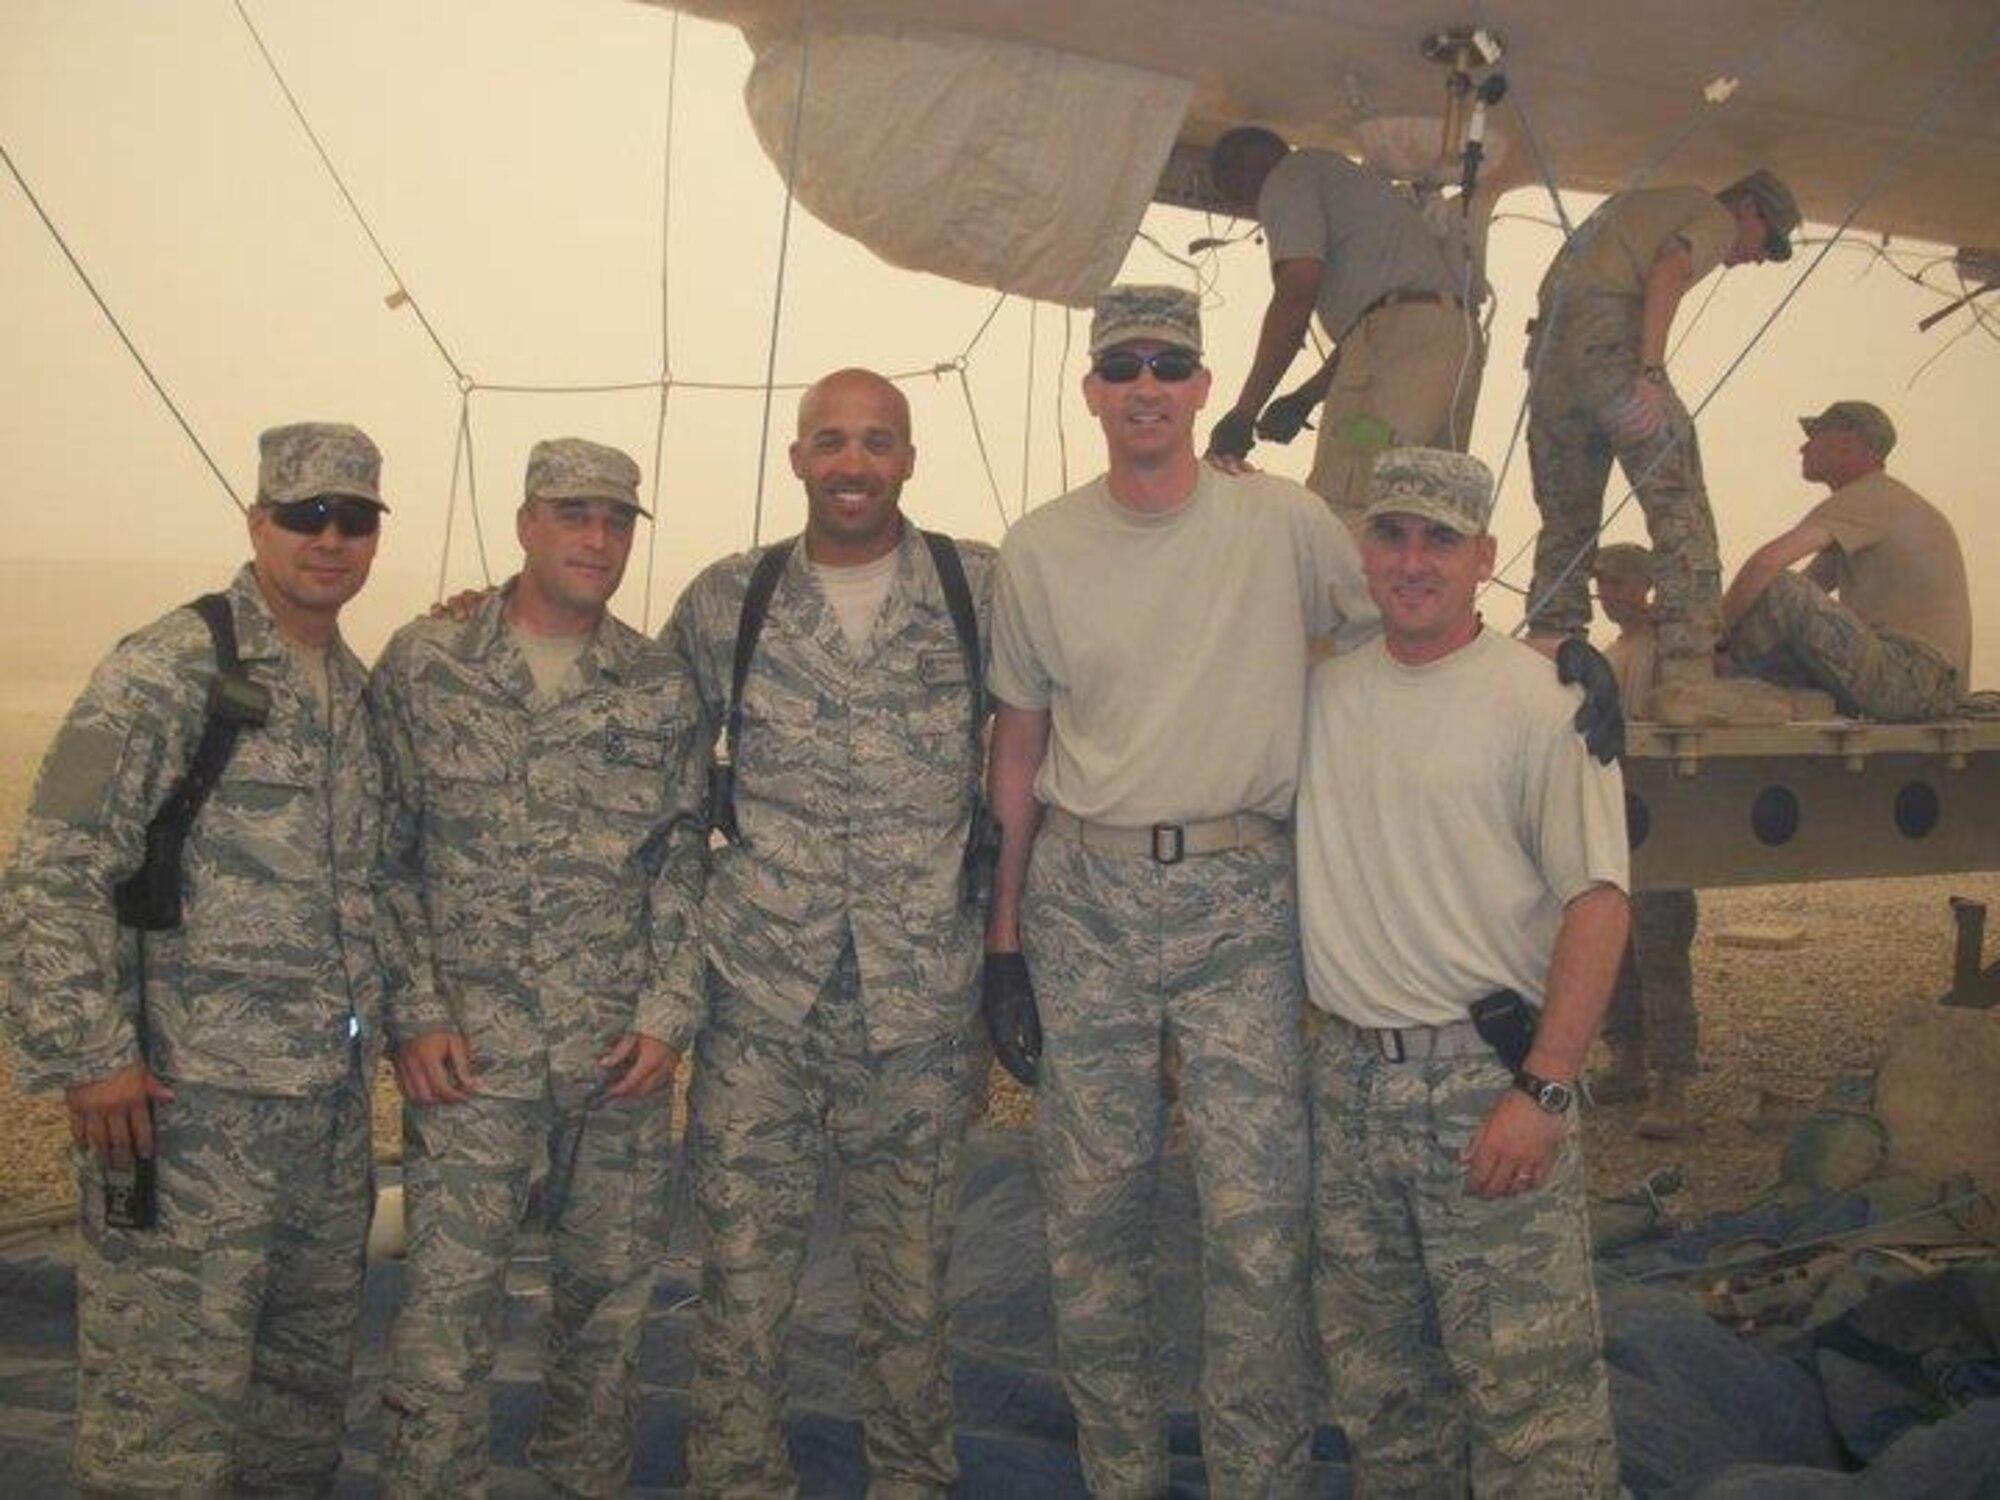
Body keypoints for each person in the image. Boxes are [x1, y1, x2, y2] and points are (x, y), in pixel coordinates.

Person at [983, 283, 1382, 1497]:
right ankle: (1121, 1478)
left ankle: (1254, 1478)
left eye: (1168, 364)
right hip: (1083, 900)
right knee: (1090, 1224)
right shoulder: (1039, 548)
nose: (1144, 386)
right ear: (1092, 391)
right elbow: (1016, 750)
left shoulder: (1286, 526)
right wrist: (1004, 941)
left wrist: (1538, 661)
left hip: (1241, 900)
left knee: (1258, 1227)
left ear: (1204, 385)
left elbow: (1398, 645)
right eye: (1121, 367)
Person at [0, 422, 389, 1492]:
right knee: (161, 1422)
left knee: (297, 1416)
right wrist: (89, 1055)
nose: (330, 539)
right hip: (186, 1116)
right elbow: (54, 863)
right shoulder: (171, 667)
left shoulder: (353, 696)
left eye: (353, 519)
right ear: (257, 520)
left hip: (322, 1123)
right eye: (306, 515)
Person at [665, 369, 994, 1497]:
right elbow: (640, 746)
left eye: (877, 443)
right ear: (797, 458)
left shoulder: (976, 590)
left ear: (909, 459)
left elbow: (1096, 694)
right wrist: (486, 621)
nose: (853, 464)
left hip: (920, 1016)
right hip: (759, 1007)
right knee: (740, 1295)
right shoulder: (728, 603)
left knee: (912, 1300)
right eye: (831, 442)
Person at [1295, 447, 1629, 1495]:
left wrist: (1542, 1088)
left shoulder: (1540, 704)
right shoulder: (1322, 694)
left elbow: (1597, 902)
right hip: (1347, 1088)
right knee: (1385, 1403)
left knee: (1532, 1406)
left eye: (1439, 538)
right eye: (1391, 534)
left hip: (1483, 1085)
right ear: (1363, 550)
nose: (1411, 560)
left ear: (1485, 556)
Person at [373, 437, 701, 1497]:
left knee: (605, 1322)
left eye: (615, 521)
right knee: (445, 1320)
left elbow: (683, 860)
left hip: (616, 1063)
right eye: (573, 514)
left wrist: (666, 1013)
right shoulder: (427, 665)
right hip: (470, 1060)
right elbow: (385, 853)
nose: (596, 539)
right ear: (524, 522)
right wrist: (414, 1013)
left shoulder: (656, 684)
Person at [1524, 169, 1802, 723]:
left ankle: (1547, 656)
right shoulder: (1713, 213)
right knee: (1680, 507)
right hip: (1613, 347)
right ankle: (1689, 675)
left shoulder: (1640, 204)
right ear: (1748, 208)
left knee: (1567, 522)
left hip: (1552, 356)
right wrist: (1649, 372)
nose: (1755, 257)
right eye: (1766, 242)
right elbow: (1671, 268)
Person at [1203, 124, 1485, 533]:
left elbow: (1296, 292)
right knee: (1423, 510)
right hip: (1449, 342)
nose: (1259, 213)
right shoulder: (1344, 187)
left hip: (1403, 341)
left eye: (1245, 202)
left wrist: (1243, 413)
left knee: (1350, 501)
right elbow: (1373, 329)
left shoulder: (1287, 178)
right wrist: (1305, 396)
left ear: (1244, 176)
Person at [1722, 400, 1969, 721]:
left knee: (1779, 585)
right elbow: (1809, 591)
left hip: (1910, 677)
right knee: (1775, 601)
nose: (1803, 447)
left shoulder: (1868, 496)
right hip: (1924, 683)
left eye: (1814, 436)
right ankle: (1752, 688)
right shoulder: (1883, 505)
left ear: (1846, 443)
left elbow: (1766, 565)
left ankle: (1719, 687)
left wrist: (1714, 637)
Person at [1589, 542, 1700, 1138]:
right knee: (1615, 954)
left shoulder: (1669, 650)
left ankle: (1673, 1083)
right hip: (1618, 824)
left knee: (1660, 952)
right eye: (1602, 583)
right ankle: (1627, 1060)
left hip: (1666, 829)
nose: (1605, 595)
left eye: (1613, 583)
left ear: (1639, 585)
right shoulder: (1610, 655)